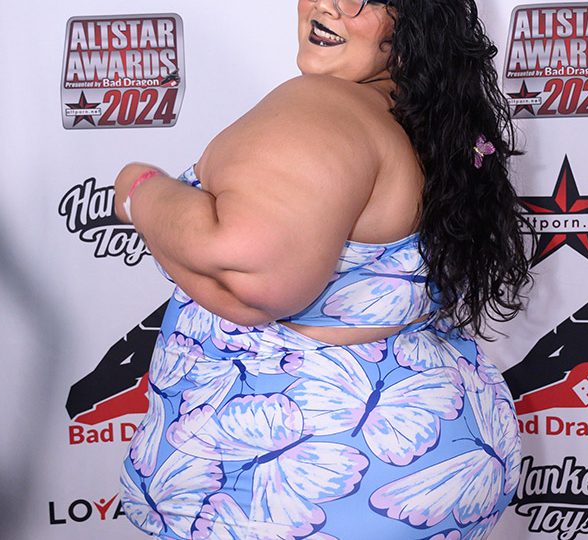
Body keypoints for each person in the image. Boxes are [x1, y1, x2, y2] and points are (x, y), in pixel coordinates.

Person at [115, 0, 532, 538]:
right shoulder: (424, 113)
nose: (328, 5)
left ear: (416, 16)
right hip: (437, 456)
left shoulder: (323, 106)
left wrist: (141, 190)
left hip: (310, 487)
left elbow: (251, 276)